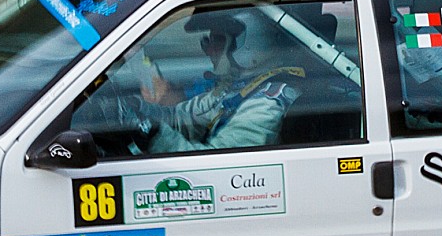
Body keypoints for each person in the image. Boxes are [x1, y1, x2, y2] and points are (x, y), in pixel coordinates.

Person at [108, 9, 305, 153]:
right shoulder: (238, 89)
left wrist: (151, 133)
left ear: (250, 45)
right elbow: (180, 118)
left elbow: (217, 162)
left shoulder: (265, 105)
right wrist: (134, 107)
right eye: (207, 41)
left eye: (217, 40)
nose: (208, 49)